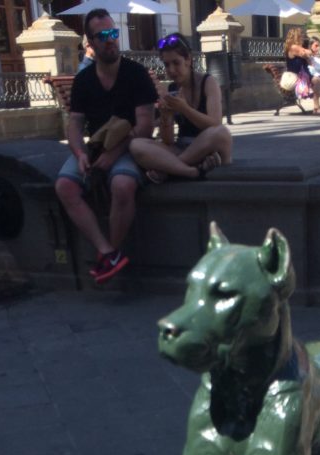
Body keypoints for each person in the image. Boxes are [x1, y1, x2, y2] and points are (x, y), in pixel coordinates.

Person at [55, 8, 157, 284]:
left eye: (113, 33)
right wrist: (79, 154)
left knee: (122, 185)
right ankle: (108, 252)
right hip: (97, 146)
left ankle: (109, 255)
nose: (110, 40)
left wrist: (114, 154)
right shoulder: (84, 81)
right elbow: (75, 125)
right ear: (91, 43)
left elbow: (146, 126)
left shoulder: (136, 74)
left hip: (130, 144)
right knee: (65, 186)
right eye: (102, 36)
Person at [129, 32, 232, 184]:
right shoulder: (172, 88)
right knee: (136, 145)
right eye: (166, 64)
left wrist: (185, 109)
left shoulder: (208, 82)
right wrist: (166, 115)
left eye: (176, 63)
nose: (171, 70)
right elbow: (168, 140)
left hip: (208, 146)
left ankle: (169, 168)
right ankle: (191, 171)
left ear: (188, 59)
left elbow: (215, 124)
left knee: (221, 133)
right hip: (184, 147)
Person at [284, 27, 320, 114]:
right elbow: (307, 53)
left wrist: (308, 55)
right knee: (317, 80)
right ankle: (316, 108)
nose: (303, 37)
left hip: (304, 76)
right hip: (297, 78)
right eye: (301, 35)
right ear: (295, 36)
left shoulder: (298, 48)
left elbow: (309, 61)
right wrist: (310, 51)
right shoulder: (293, 47)